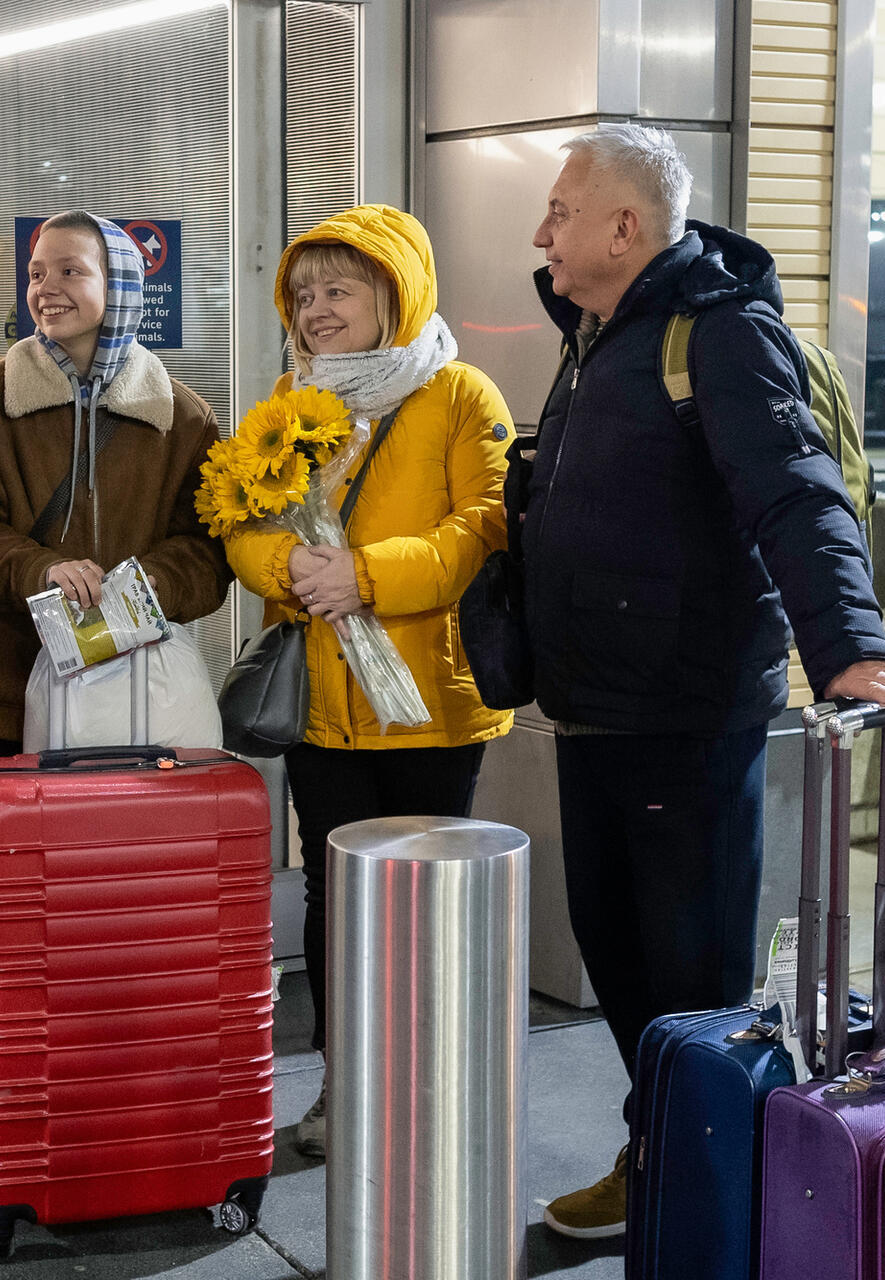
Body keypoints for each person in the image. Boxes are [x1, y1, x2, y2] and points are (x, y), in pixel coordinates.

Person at [520, 123, 885, 1239]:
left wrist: (849, 641)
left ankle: (717, 1202)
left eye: (560, 211)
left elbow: (797, 494)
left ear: (624, 223)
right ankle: (658, 1150)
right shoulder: (596, 337)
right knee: (615, 957)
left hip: (684, 714)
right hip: (591, 708)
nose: (539, 233)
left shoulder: (716, 330)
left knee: (690, 982)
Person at [223, 204, 515, 1158]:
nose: (315, 311)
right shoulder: (288, 399)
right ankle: (346, 1088)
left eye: (338, 290)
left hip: (433, 708)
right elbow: (241, 515)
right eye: (303, 295)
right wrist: (291, 573)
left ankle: (436, 1097)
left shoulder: (463, 394)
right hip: (323, 706)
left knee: (436, 912)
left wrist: (366, 575)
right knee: (336, 906)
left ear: (397, 291)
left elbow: (486, 529)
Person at [0, 212, 231, 756]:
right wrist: (40, 571)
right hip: (14, 696)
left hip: (144, 696)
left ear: (121, 287)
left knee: (129, 842)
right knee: (24, 842)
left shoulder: (183, 418)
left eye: (70, 271)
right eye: (36, 274)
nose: (47, 289)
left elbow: (208, 549)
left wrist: (156, 583)